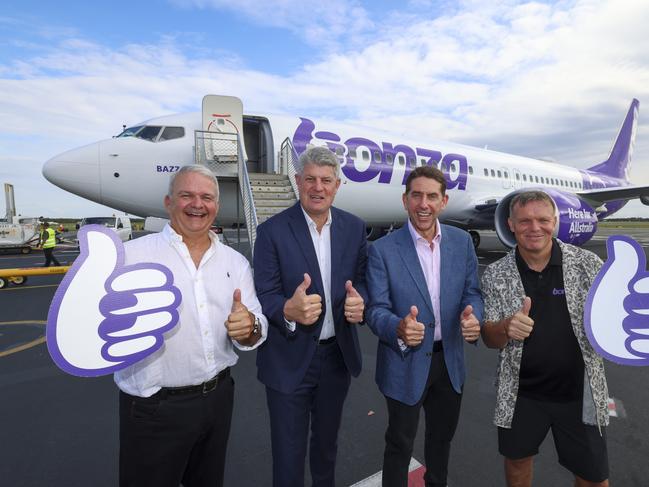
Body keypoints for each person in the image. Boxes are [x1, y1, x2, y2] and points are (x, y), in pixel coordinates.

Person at [115, 165, 268, 487]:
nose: (197, 204)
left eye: (206, 197)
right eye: (187, 195)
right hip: (152, 407)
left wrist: (249, 325)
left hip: (217, 400)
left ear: (216, 205)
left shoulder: (235, 262)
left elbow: (257, 328)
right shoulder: (129, 257)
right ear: (169, 201)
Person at [253, 146, 368, 487]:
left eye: (326, 181)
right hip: (288, 359)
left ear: (337, 185)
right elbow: (266, 293)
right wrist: (287, 310)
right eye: (311, 180)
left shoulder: (354, 227)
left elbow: (362, 280)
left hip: (336, 358)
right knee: (288, 455)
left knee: (326, 449)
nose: (318, 188)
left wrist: (360, 300)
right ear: (298, 181)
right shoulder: (272, 231)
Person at [480, 190, 609, 487]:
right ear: (510, 224)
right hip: (522, 395)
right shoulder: (496, 274)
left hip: (580, 394)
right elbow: (490, 338)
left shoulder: (587, 264)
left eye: (542, 219)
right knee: (517, 465)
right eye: (524, 221)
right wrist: (506, 327)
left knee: (594, 478)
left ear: (555, 221)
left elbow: (614, 316)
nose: (534, 228)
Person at [365, 165, 483, 487]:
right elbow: (376, 309)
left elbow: (473, 291)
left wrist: (475, 318)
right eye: (416, 195)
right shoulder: (382, 250)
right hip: (405, 362)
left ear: (443, 202)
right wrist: (398, 328)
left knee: (441, 442)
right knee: (400, 443)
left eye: (432, 196)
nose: (423, 204)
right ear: (405, 200)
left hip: (450, 363)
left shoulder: (462, 243)